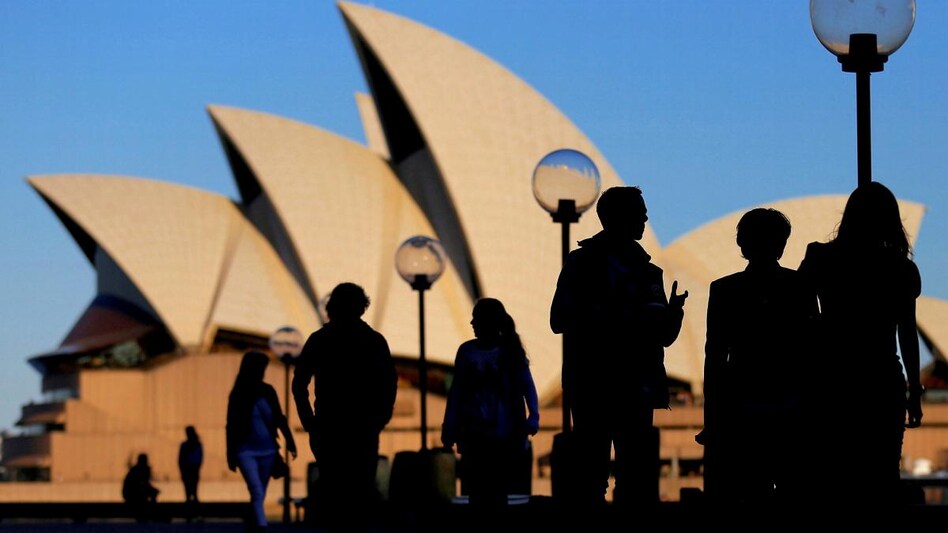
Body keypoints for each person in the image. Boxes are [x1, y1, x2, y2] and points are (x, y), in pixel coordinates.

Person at [550, 185, 688, 508]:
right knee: (592, 477)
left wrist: (674, 315)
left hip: (629, 387)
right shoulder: (581, 264)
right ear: (617, 217)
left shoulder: (648, 271)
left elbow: (664, 335)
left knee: (633, 477)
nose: (645, 218)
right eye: (639, 212)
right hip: (597, 386)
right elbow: (558, 320)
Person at [797, 181, 923, 508]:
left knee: (833, 473)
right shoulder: (900, 268)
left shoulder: (821, 256)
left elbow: (795, 307)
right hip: (882, 378)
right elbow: (906, 332)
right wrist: (914, 390)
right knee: (881, 475)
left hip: (832, 378)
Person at [698, 208, 818, 507]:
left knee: (749, 495)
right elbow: (814, 352)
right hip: (792, 409)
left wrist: (711, 418)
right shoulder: (801, 287)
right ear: (783, 244)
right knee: (796, 494)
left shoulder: (724, 290)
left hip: (741, 410)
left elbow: (714, 357)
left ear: (742, 244)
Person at [293, 282, 397, 527]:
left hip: (329, 427)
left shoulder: (320, 339)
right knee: (360, 490)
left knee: (334, 489)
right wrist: (381, 418)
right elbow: (389, 383)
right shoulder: (373, 341)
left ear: (332, 307)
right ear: (362, 308)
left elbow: (299, 384)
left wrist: (309, 421)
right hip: (363, 427)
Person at [441, 297, 541, 509]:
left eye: (476, 318)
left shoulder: (508, 351)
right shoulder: (468, 352)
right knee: (480, 489)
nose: (472, 324)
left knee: (493, 489)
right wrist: (449, 428)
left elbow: (527, 386)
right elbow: (457, 392)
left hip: (501, 434)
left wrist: (534, 416)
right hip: (476, 433)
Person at [226, 350, 298, 532]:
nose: (263, 371)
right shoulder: (238, 395)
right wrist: (230, 454)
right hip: (245, 451)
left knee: (259, 494)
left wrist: (289, 440)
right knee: (256, 490)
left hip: (268, 451)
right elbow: (231, 425)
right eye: (261, 368)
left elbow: (279, 417)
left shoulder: (268, 391)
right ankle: (261, 527)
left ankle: (253, 523)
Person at [122, 453, 160, 522]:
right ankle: (152, 513)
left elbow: (144, 483)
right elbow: (141, 484)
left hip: (133, 494)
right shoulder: (139, 470)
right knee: (150, 494)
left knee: (152, 493)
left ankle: (152, 512)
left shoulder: (137, 469)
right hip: (132, 494)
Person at [178, 425, 203, 504]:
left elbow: (200, 457)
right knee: (190, 487)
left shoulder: (195, 445)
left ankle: (192, 502)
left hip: (192, 467)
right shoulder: (186, 445)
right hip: (189, 468)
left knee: (192, 487)